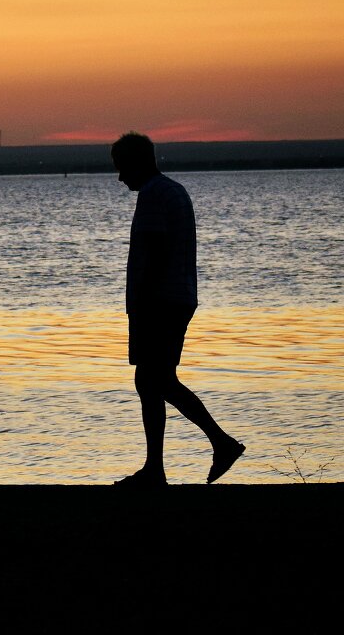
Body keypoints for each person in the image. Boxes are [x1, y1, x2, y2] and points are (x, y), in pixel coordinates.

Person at [111, 132, 245, 486]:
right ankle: (158, 465)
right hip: (175, 297)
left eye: (122, 167)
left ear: (137, 162)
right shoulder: (172, 191)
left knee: (156, 381)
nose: (120, 177)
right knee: (152, 381)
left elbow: (154, 252)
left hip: (159, 302)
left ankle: (218, 443)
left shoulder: (155, 195)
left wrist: (140, 303)